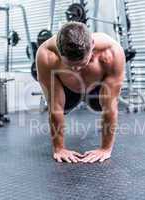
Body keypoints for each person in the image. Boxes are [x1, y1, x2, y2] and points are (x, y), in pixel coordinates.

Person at [36, 22, 125, 163]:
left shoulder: (112, 52)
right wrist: (59, 148)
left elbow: (111, 108)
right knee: (59, 106)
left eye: (83, 64)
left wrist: (105, 149)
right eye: (70, 67)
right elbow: (56, 108)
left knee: (104, 105)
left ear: (93, 45)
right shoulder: (46, 55)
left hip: (96, 89)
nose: (77, 70)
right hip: (67, 90)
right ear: (59, 52)